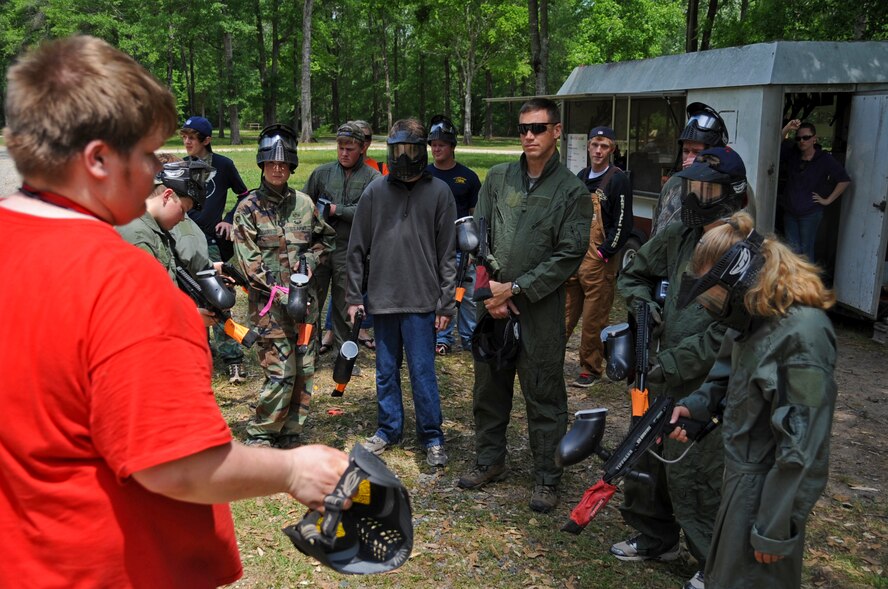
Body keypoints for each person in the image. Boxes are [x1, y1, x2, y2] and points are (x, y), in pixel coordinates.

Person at [0, 35, 348, 588]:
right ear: (97, 160)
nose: (160, 172)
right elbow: (177, 464)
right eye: (146, 155)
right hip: (116, 568)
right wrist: (293, 468)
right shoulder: (123, 283)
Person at [669, 211, 837, 589]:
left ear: (740, 280)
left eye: (716, 298)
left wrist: (775, 529)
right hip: (740, 482)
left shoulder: (803, 335)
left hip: (766, 494)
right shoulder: (753, 316)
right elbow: (727, 376)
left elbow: (801, 446)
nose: (714, 308)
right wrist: (696, 407)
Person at [614, 146, 750, 589]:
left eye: (705, 188)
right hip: (658, 374)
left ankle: (713, 563)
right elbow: (633, 274)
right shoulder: (679, 235)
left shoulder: (744, 252)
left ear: (730, 194)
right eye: (691, 185)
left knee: (697, 476)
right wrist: (643, 309)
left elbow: (728, 334)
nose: (694, 195)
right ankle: (656, 536)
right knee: (646, 458)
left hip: (705, 384)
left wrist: (671, 361)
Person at [456, 97, 592, 513]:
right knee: (489, 389)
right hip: (492, 305)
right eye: (522, 129)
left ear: (557, 131)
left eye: (537, 128)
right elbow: (476, 239)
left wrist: (514, 288)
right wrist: (489, 292)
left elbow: (567, 256)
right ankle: (489, 459)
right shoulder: (497, 178)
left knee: (544, 393)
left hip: (539, 309)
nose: (528, 136)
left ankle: (548, 478)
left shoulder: (572, 192)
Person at [346, 118, 457, 468]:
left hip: (423, 300)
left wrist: (446, 303)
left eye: (410, 149)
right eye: (397, 150)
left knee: (423, 371)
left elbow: (448, 254)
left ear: (422, 150)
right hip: (382, 298)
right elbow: (356, 248)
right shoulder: (375, 191)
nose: (404, 157)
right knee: (385, 369)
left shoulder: (439, 192)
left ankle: (432, 436)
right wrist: (353, 297)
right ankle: (388, 428)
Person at [232, 124, 336, 449]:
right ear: (262, 164)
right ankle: (262, 434)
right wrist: (282, 291)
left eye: (283, 164)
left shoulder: (304, 205)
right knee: (281, 373)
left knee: (305, 369)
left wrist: (310, 263)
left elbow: (326, 239)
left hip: (306, 308)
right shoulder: (248, 210)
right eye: (271, 163)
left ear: (291, 166)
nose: (277, 169)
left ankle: (291, 432)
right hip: (270, 312)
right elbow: (250, 266)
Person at [181, 115, 252, 384]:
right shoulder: (182, 167)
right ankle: (199, 354)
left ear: (206, 140)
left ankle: (233, 358)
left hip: (211, 243)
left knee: (217, 299)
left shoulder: (223, 165)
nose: (187, 141)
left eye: (192, 137)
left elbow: (245, 194)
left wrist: (230, 217)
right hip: (185, 240)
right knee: (189, 299)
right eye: (184, 136)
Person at [304, 122, 381, 357]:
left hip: (350, 249)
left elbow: (371, 212)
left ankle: (344, 355)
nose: (344, 153)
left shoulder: (373, 178)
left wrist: (337, 210)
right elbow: (305, 205)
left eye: (350, 148)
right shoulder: (322, 173)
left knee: (345, 304)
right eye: (341, 148)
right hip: (319, 247)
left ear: (362, 148)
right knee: (311, 302)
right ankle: (307, 353)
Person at [564, 125, 633, 387]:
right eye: (594, 145)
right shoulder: (581, 176)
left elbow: (623, 223)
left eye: (604, 146)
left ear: (612, 149)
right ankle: (547, 358)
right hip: (576, 256)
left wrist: (606, 252)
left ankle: (590, 368)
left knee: (594, 319)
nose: (598, 150)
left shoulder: (618, 179)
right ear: (589, 146)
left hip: (599, 259)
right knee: (564, 313)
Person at [425, 114, 482, 355]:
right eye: (433, 145)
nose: (436, 149)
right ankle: (442, 338)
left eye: (441, 145)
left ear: (452, 147)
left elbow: (475, 215)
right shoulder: (424, 175)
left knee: (467, 296)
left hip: (462, 248)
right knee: (438, 293)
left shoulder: (468, 177)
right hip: (433, 246)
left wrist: (474, 251)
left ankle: (470, 338)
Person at [117, 156, 215, 279]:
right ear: (167, 196)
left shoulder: (153, 228)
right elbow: (148, 290)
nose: (182, 219)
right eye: (182, 210)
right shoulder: (138, 236)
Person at [651, 102, 730, 235]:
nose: (689, 158)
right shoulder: (673, 184)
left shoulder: (733, 188)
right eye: (686, 151)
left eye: (697, 152)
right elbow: (656, 236)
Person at [778, 120, 851, 262]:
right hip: (790, 212)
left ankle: (807, 283)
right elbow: (775, 144)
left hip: (810, 214)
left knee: (806, 252)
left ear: (814, 139)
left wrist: (827, 200)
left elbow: (844, 180)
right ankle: (793, 283)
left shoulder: (824, 159)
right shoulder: (793, 154)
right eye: (798, 138)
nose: (802, 141)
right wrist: (787, 128)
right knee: (792, 252)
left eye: (806, 137)